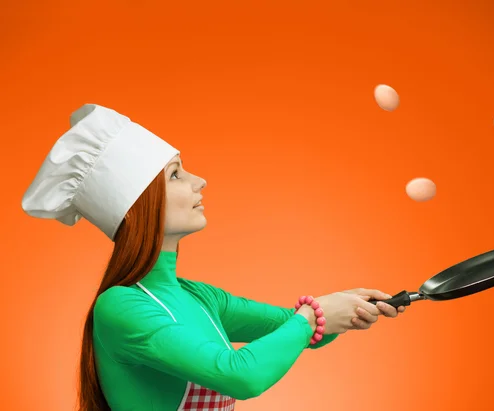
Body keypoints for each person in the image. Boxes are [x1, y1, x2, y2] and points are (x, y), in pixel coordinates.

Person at [21, 104, 407, 411]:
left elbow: (297, 332)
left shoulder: (200, 298)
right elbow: (242, 375)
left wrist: (346, 309)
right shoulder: (121, 307)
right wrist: (313, 315)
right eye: (175, 175)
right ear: (136, 205)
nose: (199, 181)